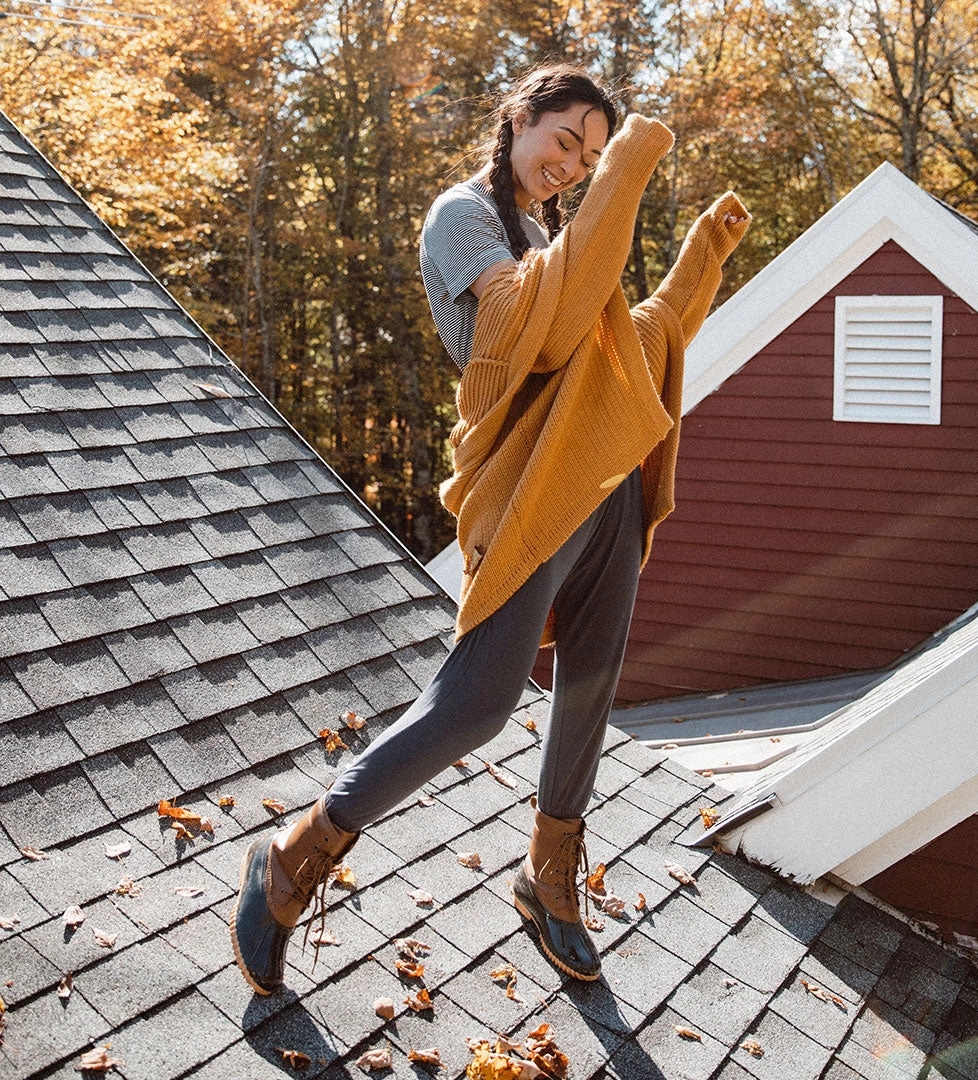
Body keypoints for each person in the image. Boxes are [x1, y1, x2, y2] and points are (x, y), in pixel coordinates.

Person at [230, 63, 750, 995]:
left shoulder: (561, 236)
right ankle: (299, 850)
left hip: (606, 492)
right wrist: (630, 171)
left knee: (590, 687)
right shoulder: (460, 217)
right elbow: (531, 337)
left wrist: (696, 266)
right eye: (566, 142)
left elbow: (620, 343)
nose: (573, 166)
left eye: (592, 157)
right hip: (529, 491)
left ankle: (549, 881)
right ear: (519, 119)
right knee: (476, 703)